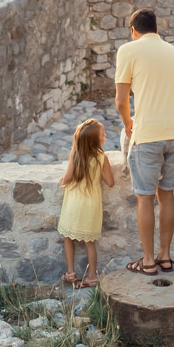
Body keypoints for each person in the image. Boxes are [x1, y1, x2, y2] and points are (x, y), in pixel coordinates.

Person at [115, 7, 174, 276]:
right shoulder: (172, 51)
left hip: (149, 135)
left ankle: (147, 260)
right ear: (157, 29)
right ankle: (165, 257)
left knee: (145, 199)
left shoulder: (128, 50)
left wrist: (127, 124)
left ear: (133, 30)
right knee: (166, 194)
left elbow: (121, 100)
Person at [56, 117, 114, 287]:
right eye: (102, 135)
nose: (105, 137)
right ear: (95, 140)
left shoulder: (76, 155)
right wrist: (100, 171)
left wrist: (61, 181)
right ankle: (91, 277)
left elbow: (67, 178)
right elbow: (110, 182)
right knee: (90, 243)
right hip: (91, 205)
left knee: (68, 238)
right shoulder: (102, 157)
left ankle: (71, 273)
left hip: (74, 202)